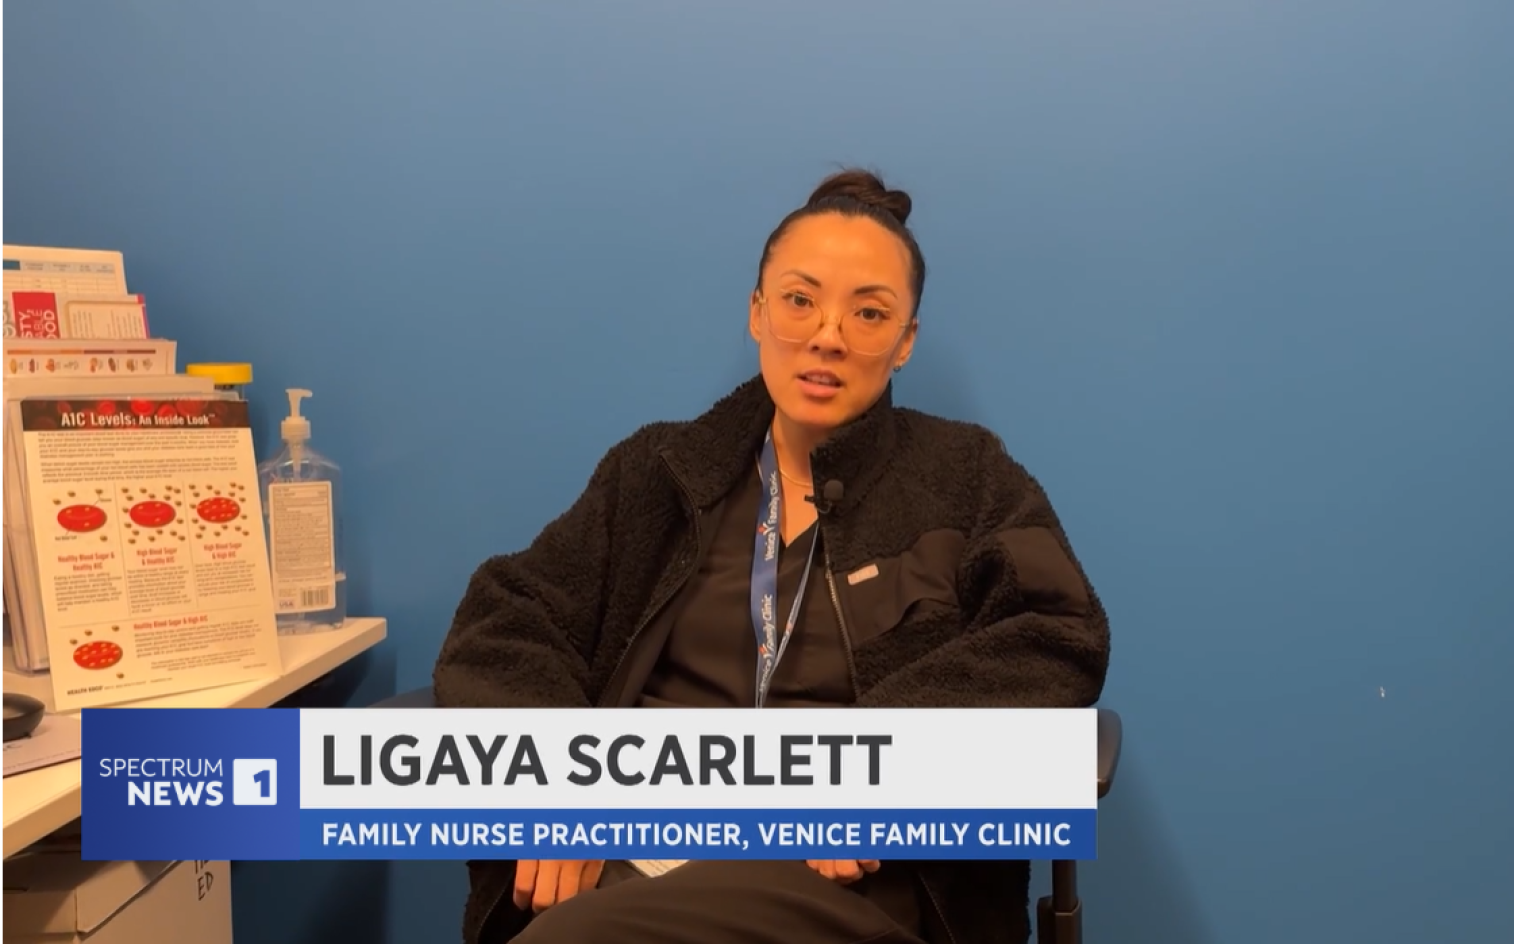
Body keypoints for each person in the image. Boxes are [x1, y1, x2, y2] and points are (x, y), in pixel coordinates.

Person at [432, 167, 1111, 944]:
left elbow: (1058, 631)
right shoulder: (658, 473)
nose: (828, 334)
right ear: (757, 313)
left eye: (869, 312)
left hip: (842, 878)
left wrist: (877, 767)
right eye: (800, 300)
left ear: (905, 342)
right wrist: (560, 786)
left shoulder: (966, 476)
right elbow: (509, 616)